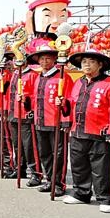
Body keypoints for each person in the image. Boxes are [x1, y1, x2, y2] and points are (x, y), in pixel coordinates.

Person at [60, 49, 110, 213]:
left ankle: (106, 197)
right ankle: (81, 193)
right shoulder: (79, 83)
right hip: (78, 132)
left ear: (100, 64)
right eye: (84, 62)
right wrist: (62, 104)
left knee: (102, 168)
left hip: (100, 133)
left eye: (91, 61)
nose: (86, 64)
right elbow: (70, 104)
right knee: (78, 165)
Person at [26, 44, 73, 196]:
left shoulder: (62, 76)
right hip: (40, 121)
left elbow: (70, 100)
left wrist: (65, 120)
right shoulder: (39, 77)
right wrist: (26, 102)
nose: (44, 62)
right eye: (42, 59)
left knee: (58, 155)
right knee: (44, 153)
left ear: (54, 60)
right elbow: (34, 98)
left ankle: (59, 184)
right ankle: (49, 180)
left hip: (56, 122)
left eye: (48, 59)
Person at [5, 60, 40, 183]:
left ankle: (36, 172)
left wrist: (26, 100)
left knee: (29, 145)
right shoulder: (15, 74)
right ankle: (19, 167)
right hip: (14, 112)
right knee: (17, 143)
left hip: (25, 113)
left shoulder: (32, 75)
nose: (17, 61)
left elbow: (36, 95)